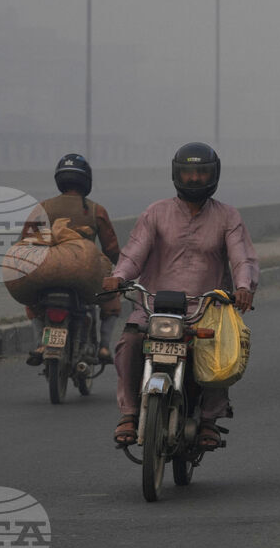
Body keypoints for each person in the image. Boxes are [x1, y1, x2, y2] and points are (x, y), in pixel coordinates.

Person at [103, 143, 258, 448]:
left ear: (214, 175)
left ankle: (210, 419)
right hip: (154, 305)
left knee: (219, 349)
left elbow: (242, 258)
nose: (194, 179)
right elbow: (134, 252)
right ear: (177, 174)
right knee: (131, 343)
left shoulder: (228, 216)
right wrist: (118, 277)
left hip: (208, 306)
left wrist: (243, 287)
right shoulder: (156, 213)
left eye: (202, 172)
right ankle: (129, 413)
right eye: (188, 172)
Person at [23, 154, 122, 366]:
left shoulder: (43, 208)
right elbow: (111, 248)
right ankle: (104, 346)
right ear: (87, 180)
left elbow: (25, 242)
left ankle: (41, 343)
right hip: (85, 274)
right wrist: (123, 268)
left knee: (33, 302)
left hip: (47, 273)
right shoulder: (96, 210)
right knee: (112, 299)